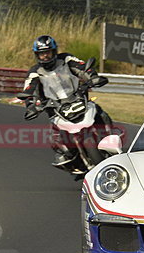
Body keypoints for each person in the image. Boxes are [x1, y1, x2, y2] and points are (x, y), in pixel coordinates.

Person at [20, 35, 112, 167]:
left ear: (54, 51)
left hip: (78, 98)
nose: (45, 56)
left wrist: (92, 76)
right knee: (54, 137)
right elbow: (29, 89)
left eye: (48, 52)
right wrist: (31, 105)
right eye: (42, 54)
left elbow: (82, 67)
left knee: (99, 112)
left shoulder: (66, 59)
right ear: (37, 55)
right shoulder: (35, 72)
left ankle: (111, 136)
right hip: (55, 109)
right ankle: (66, 154)